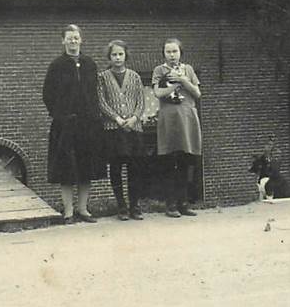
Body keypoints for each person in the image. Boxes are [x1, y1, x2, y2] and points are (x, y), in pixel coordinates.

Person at [42, 24, 105, 223]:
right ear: (63, 41)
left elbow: (95, 93)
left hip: (88, 125)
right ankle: (68, 211)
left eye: (76, 38)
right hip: (66, 125)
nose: (73, 42)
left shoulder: (89, 64)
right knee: (66, 169)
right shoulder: (56, 65)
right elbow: (47, 94)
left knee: (86, 167)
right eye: (69, 38)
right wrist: (59, 114)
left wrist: (94, 116)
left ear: (81, 40)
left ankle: (83, 209)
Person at [97, 40, 147, 221]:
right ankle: (121, 206)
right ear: (109, 57)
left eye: (120, 54)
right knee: (116, 168)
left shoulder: (135, 77)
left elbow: (141, 101)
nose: (117, 58)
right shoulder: (102, 77)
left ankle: (135, 206)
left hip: (134, 129)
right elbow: (101, 101)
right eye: (114, 55)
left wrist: (134, 118)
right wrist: (117, 119)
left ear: (126, 56)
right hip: (113, 129)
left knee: (135, 168)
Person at [152, 38, 202, 218]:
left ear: (181, 52)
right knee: (169, 162)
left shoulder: (188, 69)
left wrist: (182, 79)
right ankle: (170, 204)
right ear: (163, 53)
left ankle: (184, 202)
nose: (172, 55)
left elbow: (197, 93)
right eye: (168, 52)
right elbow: (158, 93)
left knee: (184, 161)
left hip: (187, 118)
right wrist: (172, 85)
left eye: (175, 51)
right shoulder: (159, 70)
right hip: (169, 119)